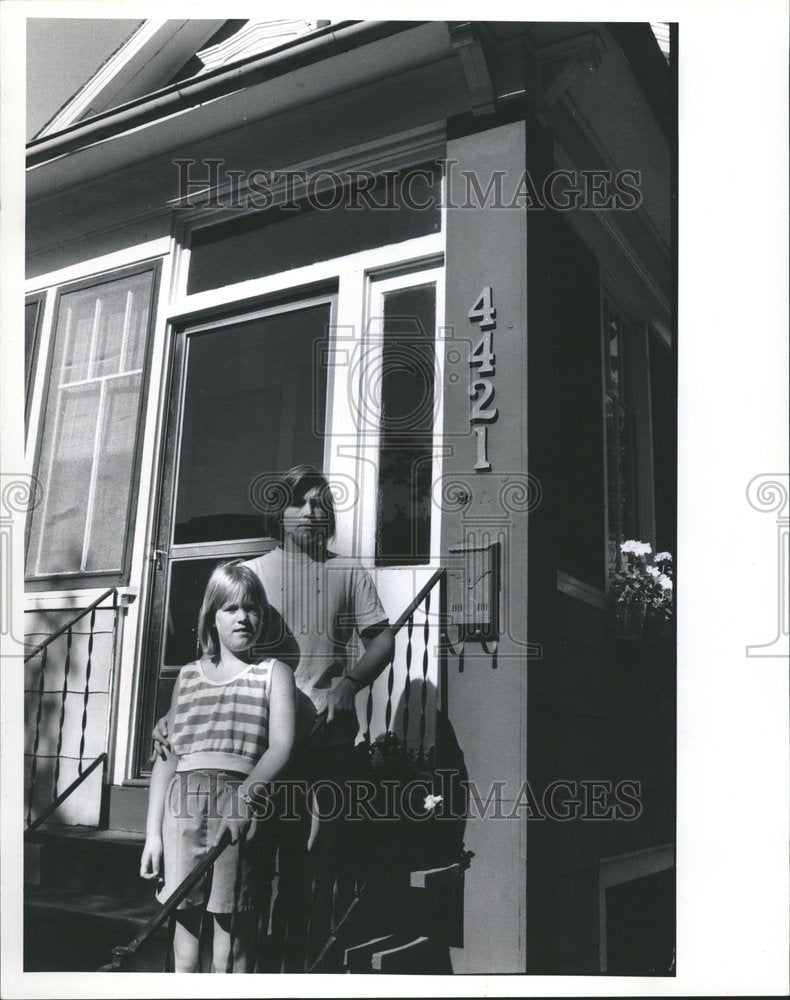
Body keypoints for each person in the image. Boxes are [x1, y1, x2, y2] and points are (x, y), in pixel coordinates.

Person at [152, 465, 394, 969]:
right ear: (278, 513)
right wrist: (176, 717)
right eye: (301, 502)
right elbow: (222, 660)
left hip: (322, 744)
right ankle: (248, 967)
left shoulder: (347, 573)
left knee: (311, 860)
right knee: (250, 872)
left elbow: (382, 641)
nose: (314, 511)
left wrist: (350, 684)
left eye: (323, 502)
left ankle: (297, 968)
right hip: (258, 749)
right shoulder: (255, 574)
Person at [141, 560, 296, 973]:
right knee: (185, 940)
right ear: (211, 617)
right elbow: (167, 757)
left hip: (239, 805)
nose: (243, 617)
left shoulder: (273, 674)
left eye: (252, 607)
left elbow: (281, 745)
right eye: (230, 608)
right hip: (182, 809)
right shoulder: (189, 676)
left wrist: (245, 799)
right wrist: (152, 834)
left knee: (233, 940)